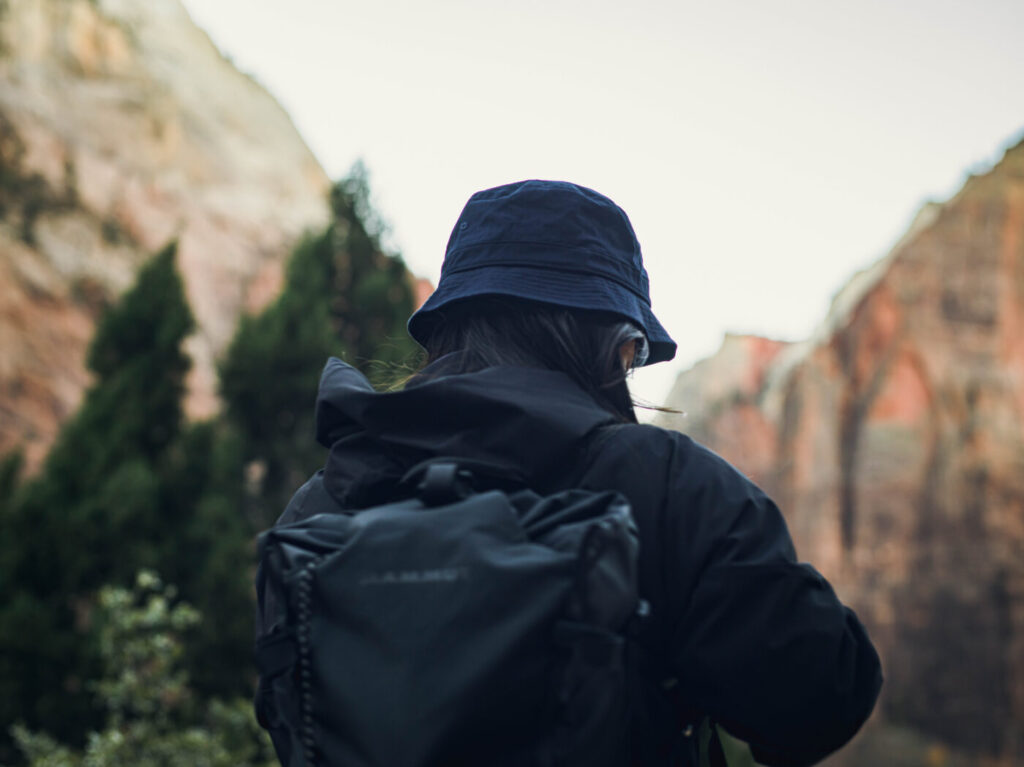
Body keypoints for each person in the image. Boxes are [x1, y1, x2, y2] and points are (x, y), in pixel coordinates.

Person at [268, 180, 882, 766]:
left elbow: (291, 719)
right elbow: (822, 700)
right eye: (636, 353)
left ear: (443, 330)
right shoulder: (667, 485)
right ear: (617, 346)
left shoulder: (325, 503)